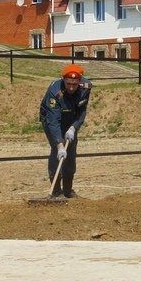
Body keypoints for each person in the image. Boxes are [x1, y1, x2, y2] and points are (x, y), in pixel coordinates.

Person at [40, 64, 92, 199]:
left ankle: (68, 190)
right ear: (63, 79)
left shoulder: (86, 87)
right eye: (68, 83)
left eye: (74, 84)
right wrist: (59, 144)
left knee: (71, 152)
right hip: (51, 120)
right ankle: (56, 191)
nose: (71, 87)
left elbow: (82, 111)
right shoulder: (55, 91)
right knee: (58, 151)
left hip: (70, 121)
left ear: (79, 81)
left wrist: (74, 127)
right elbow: (53, 121)